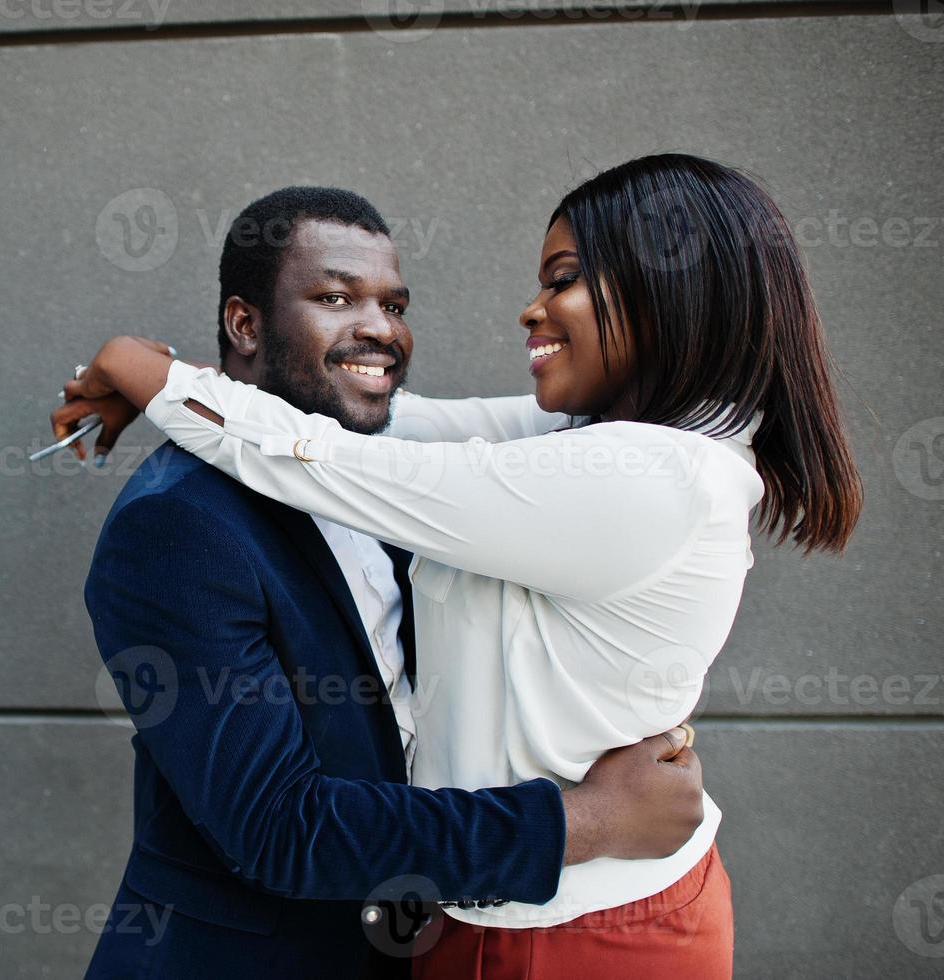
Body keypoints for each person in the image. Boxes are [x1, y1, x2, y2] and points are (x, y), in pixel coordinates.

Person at [55, 158, 862, 978]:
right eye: (336, 298)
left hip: (574, 928)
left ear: (675, 296)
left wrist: (157, 376)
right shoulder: (181, 524)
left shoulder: (644, 475)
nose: (381, 327)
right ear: (245, 321)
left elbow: (333, 450)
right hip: (412, 930)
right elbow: (385, 422)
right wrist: (183, 383)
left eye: (567, 280)